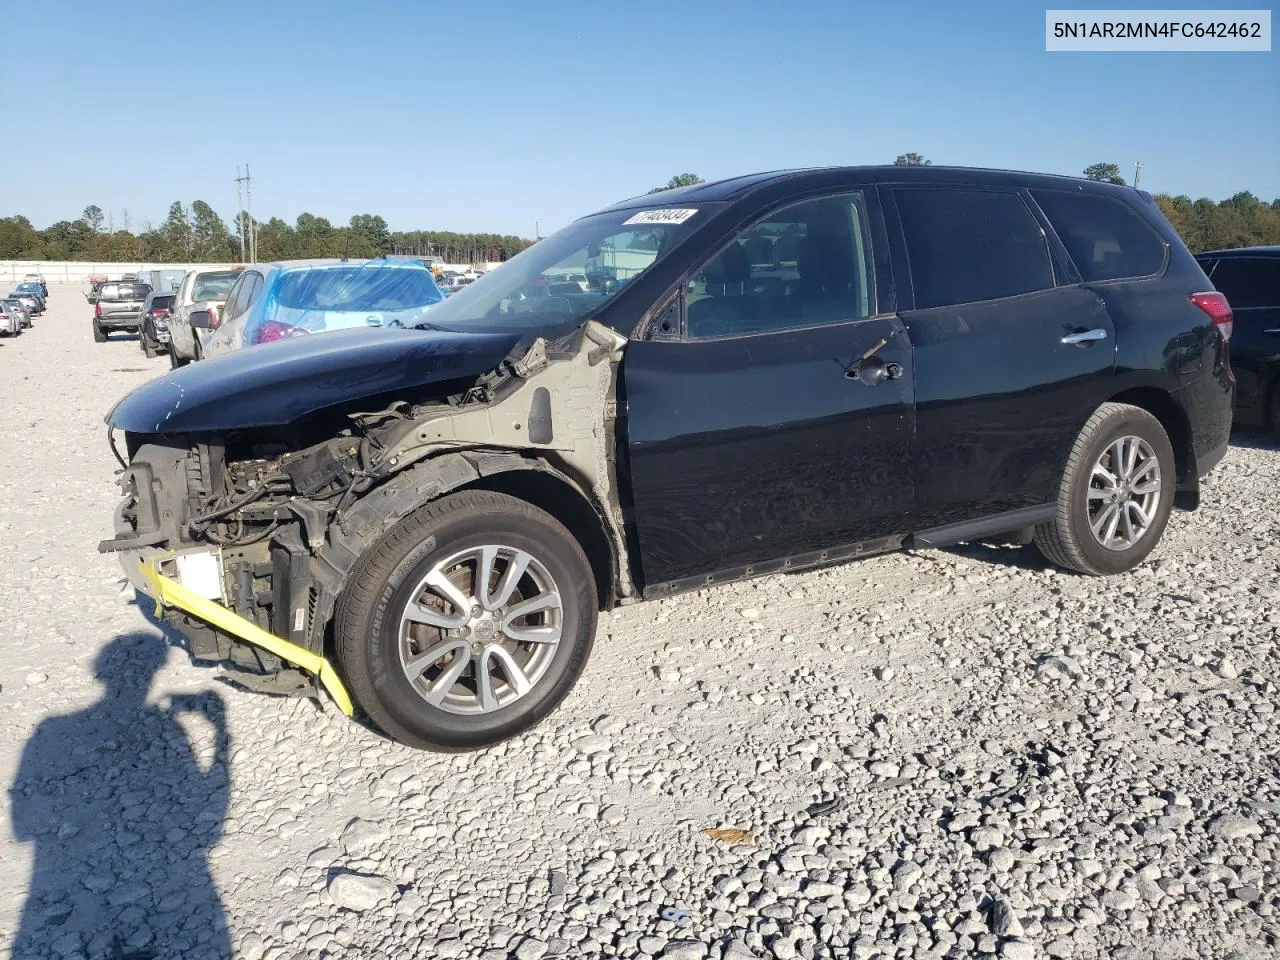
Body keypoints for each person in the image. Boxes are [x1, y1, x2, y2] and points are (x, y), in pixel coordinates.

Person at [9, 634, 231, 959]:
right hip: (188, 875)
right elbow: (210, 819)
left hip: (49, 882)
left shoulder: (49, 730)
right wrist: (221, 731)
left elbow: (21, 826)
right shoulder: (169, 728)